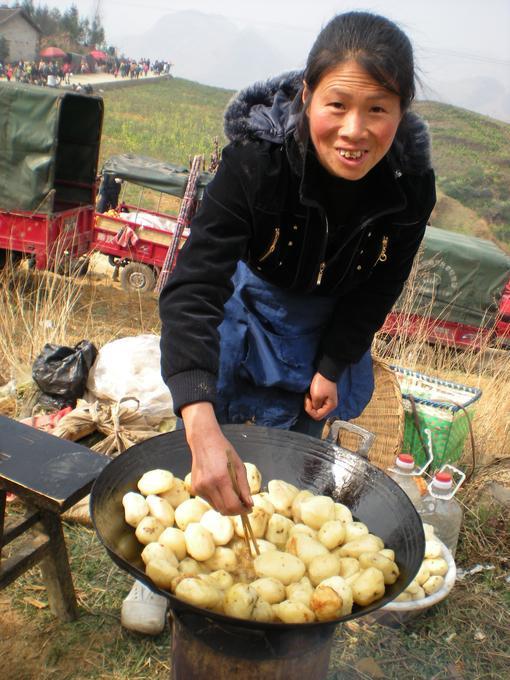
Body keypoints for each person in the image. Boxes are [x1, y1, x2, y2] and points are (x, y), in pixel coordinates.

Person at [121, 10, 436, 634]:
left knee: (292, 455)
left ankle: (266, 577)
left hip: (326, 322)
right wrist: (198, 419)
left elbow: (380, 285)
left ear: (401, 113)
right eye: (338, 104)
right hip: (250, 305)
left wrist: (333, 362)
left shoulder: (407, 185)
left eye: (378, 109)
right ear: (306, 96)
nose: (355, 130)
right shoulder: (257, 161)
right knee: (215, 437)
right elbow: (194, 285)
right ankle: (164, 571)